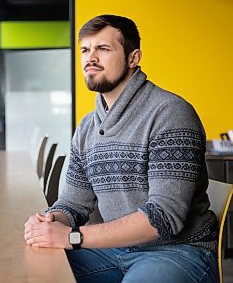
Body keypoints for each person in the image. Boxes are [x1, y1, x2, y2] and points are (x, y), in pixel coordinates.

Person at [24, 14, 219, 283]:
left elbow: (162, 218)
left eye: (103, 49)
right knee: (32, 267)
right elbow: (73, 203)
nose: (90, 58)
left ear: (133, 58)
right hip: (113, 252)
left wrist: (72, 237)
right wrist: (49, 222)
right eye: (85, 50)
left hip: (177, 252)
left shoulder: (170, 113)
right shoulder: (87, 127)